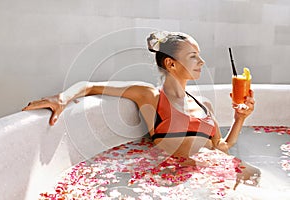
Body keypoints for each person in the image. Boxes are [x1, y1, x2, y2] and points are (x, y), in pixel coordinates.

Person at [22, 31, 260, 189]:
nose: (202, 62)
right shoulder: (151, 96)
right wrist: (61, 99)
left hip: (216, 170)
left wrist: (239, 118)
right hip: (182, 179)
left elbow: (222, 147)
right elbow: (89, 86)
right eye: (194, 56)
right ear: (171, 63)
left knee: (256, 177)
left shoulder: (203, 104)